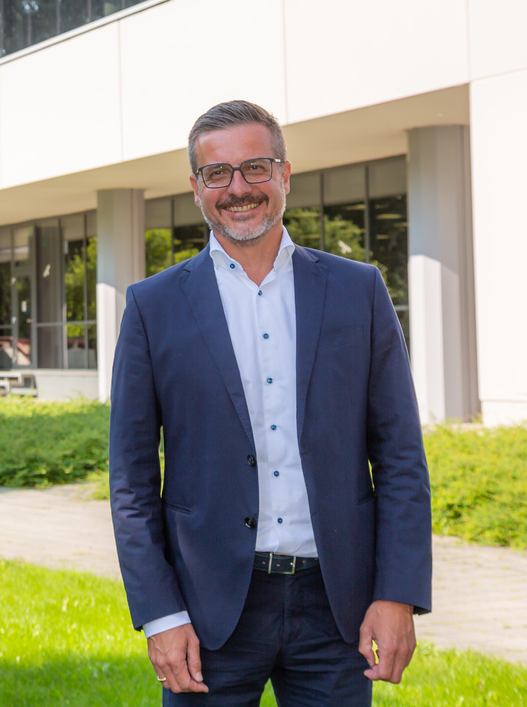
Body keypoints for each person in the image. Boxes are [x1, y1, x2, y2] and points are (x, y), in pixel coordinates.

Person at [108, 101, 431, 705]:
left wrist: (397, 593)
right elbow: (129, 480)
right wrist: (160, 614)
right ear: (196, 189)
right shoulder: (153, 307)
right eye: (218, 174)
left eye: (255, 168)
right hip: (206, 615)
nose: (238, 188)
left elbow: (401, 458)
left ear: (284, 175)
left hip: (338, 610)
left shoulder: (358, 291)